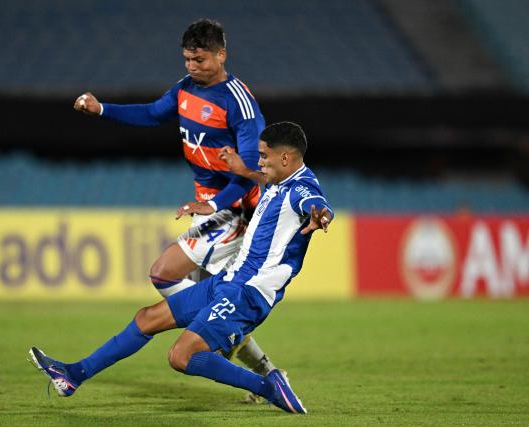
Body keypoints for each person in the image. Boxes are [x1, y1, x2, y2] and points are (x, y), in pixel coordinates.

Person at [30, 122, 334, 414]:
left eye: (264, 156)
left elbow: (315, 203)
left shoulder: (302, 189)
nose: (261, 161)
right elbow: (265, 179)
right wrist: (245, 171)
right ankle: (74, 375)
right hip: (228, 280)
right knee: (147, 318)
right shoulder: (279, 179)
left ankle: (269, 387)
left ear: (285, 157)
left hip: (249, 293)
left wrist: (321, 215)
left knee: (181, 356)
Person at [73, 18, 279, 386]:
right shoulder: (186, 90)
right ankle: (262, 367)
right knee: (205, 298)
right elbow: (152, 113)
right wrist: (102, 109)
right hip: (212, 209)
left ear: (221, 55)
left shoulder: (241, 105)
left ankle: (223, 341)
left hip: (238, 212)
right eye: (187, 59)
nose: (191, 67)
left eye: (199, 60)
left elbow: (250, 171)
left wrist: (216, 205)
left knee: (164, 271)